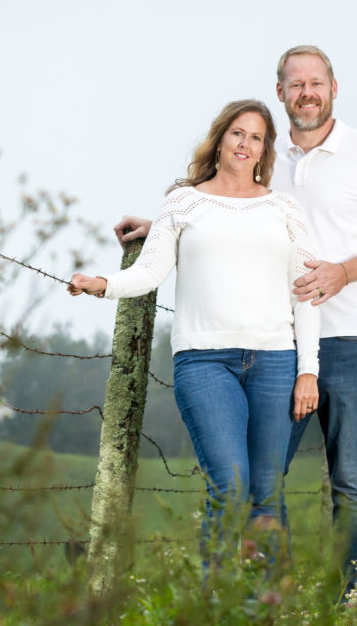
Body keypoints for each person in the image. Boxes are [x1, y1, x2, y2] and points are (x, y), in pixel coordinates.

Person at [115, 46, 357, 592]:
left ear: (333, 88)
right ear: (280, 93)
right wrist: (160, 224)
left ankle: (353, 600)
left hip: (349, 340)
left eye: (316, 83)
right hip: (279, 346)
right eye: (295, 84)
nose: (306, 92)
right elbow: (223, 210)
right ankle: (259, 597)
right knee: (262, 481)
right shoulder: (266, 166)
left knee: (350, 482)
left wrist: (343, 273)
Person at [70, 99, 320, 562]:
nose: (245, 144)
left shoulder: (285, 208)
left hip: (277, 363)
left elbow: (305, 291)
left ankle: (261, 609)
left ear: (265, 151)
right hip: (205, 363)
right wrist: (102, 285)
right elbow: (148, 273)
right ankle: (215, 601)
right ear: (220, 138)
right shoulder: (184, 201)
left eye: (256, 138)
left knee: (266, 495)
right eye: (238, 134)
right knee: (231, 486)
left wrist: (308, 370)